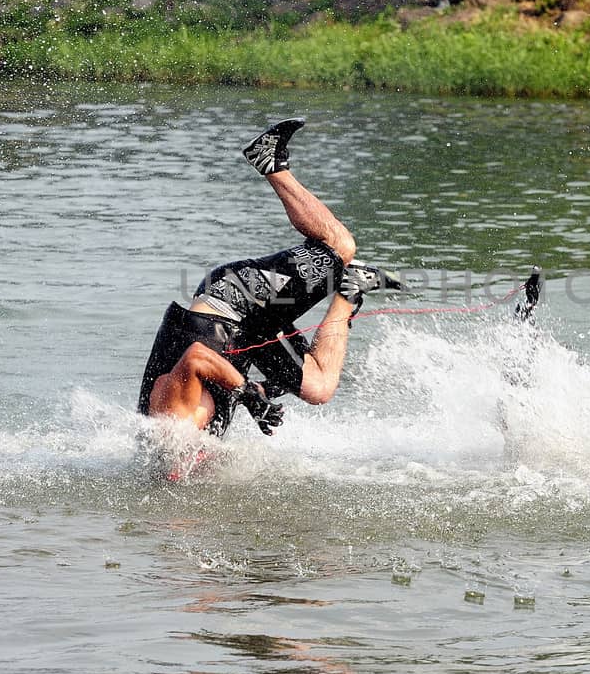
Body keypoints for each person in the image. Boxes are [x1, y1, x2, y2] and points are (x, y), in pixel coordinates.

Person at [138, 118, 404, 437]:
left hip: (231, 299)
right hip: (246, 336)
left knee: (339, 246)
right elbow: (232, 386)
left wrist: (250, 398)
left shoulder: (169, 422)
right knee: (319, 387)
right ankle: (350, 289)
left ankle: (270, 161)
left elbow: (196, 358)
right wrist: (265, 393)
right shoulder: (197, 449)